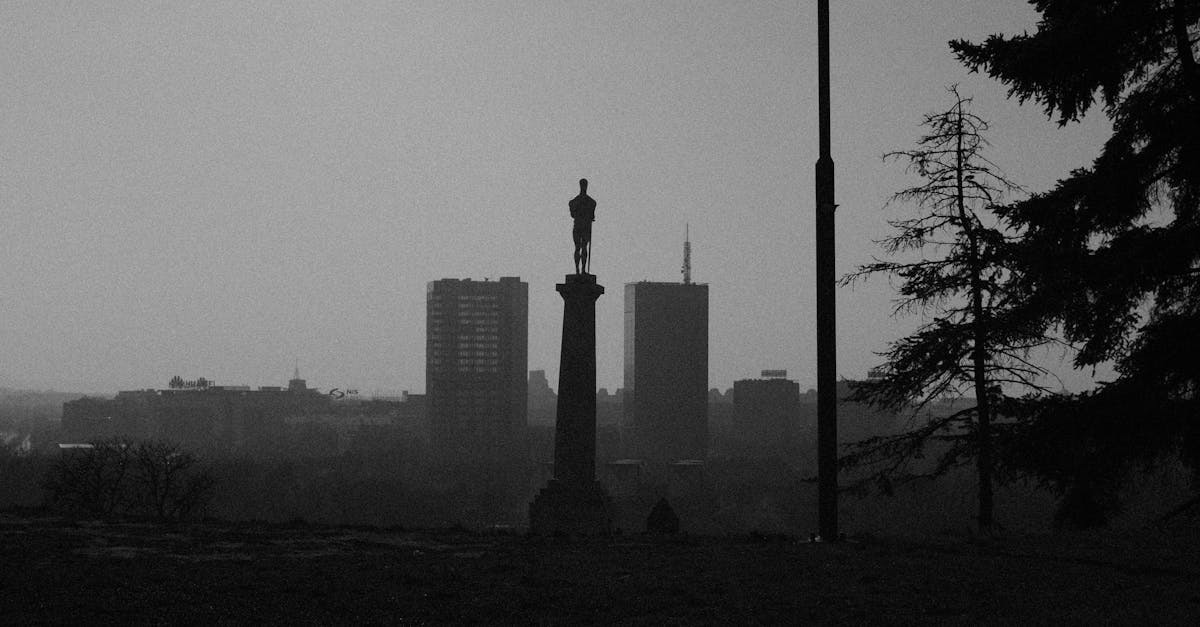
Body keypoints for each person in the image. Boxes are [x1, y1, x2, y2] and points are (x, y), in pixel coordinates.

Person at [569, 178, 596, 274]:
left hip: (580, 226)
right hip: (583, 227)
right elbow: (592, 216)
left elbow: (572, 214)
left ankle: (580, 270)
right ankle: (580, 270)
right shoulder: (591, 202)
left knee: (580, 247)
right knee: (581, 247)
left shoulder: (574, 202)